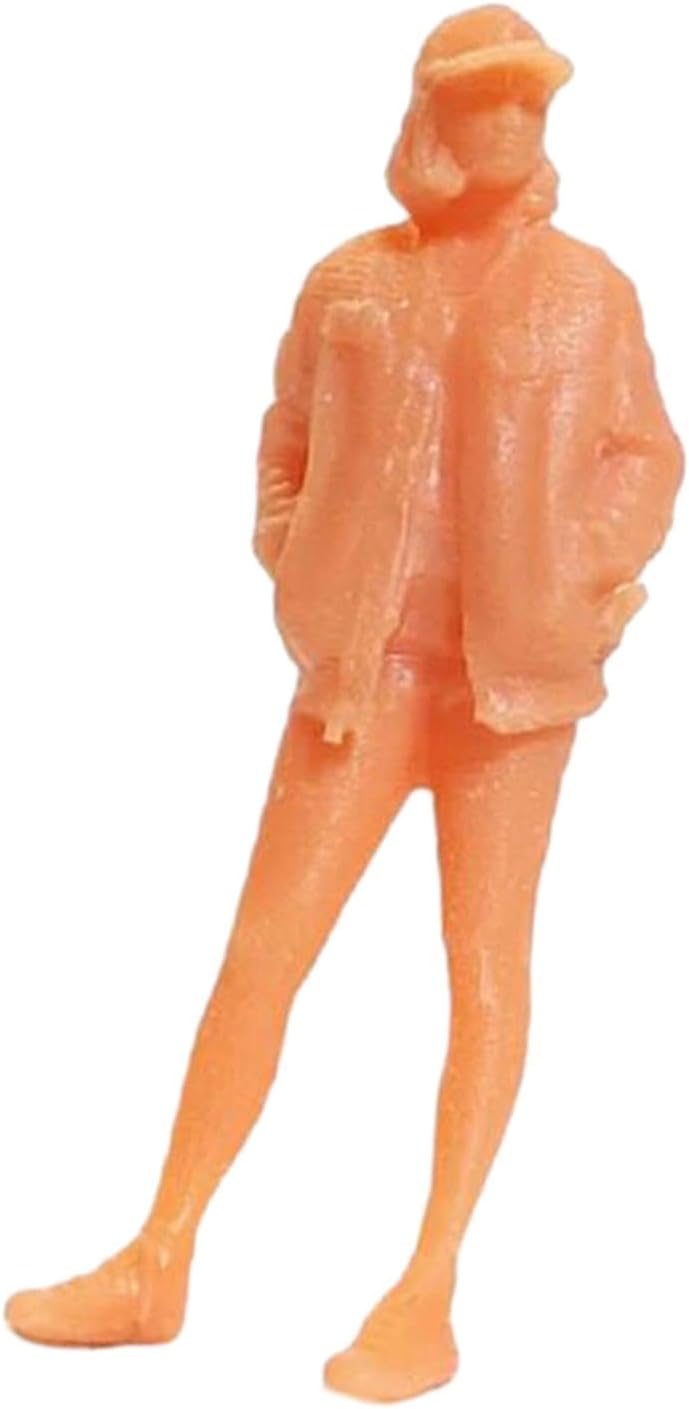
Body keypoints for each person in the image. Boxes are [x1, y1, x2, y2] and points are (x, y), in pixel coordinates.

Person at [6, 7, 683, 1403]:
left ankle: (427, 1284)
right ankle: (157, 1254)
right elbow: (287, 443)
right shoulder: (350, 282)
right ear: (432, 120)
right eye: (485, 102)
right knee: (262, 953)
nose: (514, 123)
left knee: (482, 970)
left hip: (511, 696)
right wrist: (300, 567)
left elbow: (643, 455)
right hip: (357, 683)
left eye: (530, 102)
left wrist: (583, 589)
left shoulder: (588, 291)